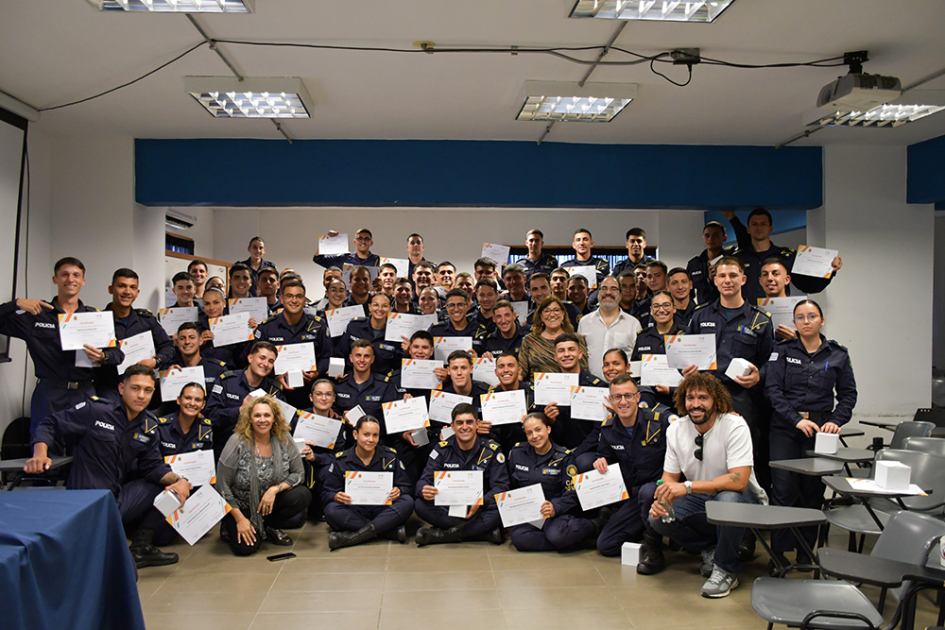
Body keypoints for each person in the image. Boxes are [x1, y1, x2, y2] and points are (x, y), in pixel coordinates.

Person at [25, 365, 193, 568]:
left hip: (116, 501)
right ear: (122, 389)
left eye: (147, 390)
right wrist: (40, 453)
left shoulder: (149, 427)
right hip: (87, 502)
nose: (141, 395)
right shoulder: (95, 411)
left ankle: (141, 546)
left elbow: (153, 467)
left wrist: (180, 481)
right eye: (135, 388)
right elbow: (50, 423)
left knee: (171, 492)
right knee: (125, 572)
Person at [638, 373, 765, 599]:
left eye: (703, 398)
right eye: (690, 398)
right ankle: (711, 547)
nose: (695, 404)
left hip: (741, 501)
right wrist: (662, 500)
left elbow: (739, 480)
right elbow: (669, 476)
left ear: (715, 400)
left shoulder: (735, 425)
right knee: (657, 517)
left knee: (727, 499)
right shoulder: (676, 429)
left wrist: (686, 487)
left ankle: (726, 570)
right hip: (700, 499)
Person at [765, 300, 856, 572]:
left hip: (820, 432)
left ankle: (806, 551)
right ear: (795, 322)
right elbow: (773, 391)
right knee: (783, 490)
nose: (806, 321)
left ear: (821, 320)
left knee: (812, 492)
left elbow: (848, 395)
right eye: (800, 317)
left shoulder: (838, 354)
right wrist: (795, 420)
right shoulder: (781, 351)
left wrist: (835, 422)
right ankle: (778, 553)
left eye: (812, 316)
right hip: (785, 429)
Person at [0, 257, 121, 436]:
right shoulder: (37, 314)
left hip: (85, 391)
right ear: (55, 279)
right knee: (45, 449)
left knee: (84, 449)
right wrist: (16, 303)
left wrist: (103, 357)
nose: (70, 279)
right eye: (64, 275)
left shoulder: (94, 317)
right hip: (49, 392)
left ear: (83, 281)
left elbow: (118, 354)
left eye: (76, 275)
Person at [685, 256, 774, 490]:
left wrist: (759, 377)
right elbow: (684, 355)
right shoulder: (700, 316)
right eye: (722, 275)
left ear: (743, 279)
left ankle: (748, 514)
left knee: (743, 457)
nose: (727, 280)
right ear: (714, 280)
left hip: (741, 398)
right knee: (703, 453)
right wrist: (685, 368)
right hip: (704, 397)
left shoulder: (760, 320)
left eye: (733, 275)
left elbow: (769, 362)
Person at [215, 396, 311, 555]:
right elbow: (222, 486)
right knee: (246, 549)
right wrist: (240, 520)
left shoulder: (284, 438)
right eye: (257, 415)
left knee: (302, 495)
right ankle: (229, 523)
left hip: (269, 502)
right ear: (249, 419)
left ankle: (269, 526)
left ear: (274, 418)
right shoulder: (236, 442)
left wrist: (274, 489)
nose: (262, 420)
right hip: (241, 505)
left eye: (267, 415)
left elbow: (299, 474)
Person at [588, 375, 671, 557]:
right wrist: (600, 460)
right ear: (611, 400)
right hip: (635, 497)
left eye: (628, 396)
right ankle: (646, 533)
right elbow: (603, 454)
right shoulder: (609, 429)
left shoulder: (660, 421)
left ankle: (654, 548)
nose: (623, 401)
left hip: (663, 492)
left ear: (638, 398)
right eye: (617, 397)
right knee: (606, 545)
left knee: (648, 492)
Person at [414, 403, 509, 545]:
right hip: (448, 509)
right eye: (459, 423)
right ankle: (478, 533)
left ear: (477, 424)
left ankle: (441, 535)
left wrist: (482, 501)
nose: (464, 427)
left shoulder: (491, 451)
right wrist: (424, 490)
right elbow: (423, 481)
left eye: (469, 422)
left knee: (502, 508)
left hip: (479, 508)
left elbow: (502, 488)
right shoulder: (442, 450)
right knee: (420, 504)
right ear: (452, 426)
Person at [508, 413, 603, 552]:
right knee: (518, 538)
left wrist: (555, 507)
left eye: (538, 430)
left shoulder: (564, 457)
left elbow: (572, 493)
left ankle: (594, 525)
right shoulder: (517, 454)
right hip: (532, 513)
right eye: (529, 433)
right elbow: (512, 486)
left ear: (548, 429)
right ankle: (572, 542)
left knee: (557, 535)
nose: (534, 436)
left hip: (556, 512)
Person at [322, 416, 415, 549]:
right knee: (331, 510)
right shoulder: (341, 460)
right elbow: (326, 493)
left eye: (375, 435)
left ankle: (355, 536)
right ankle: (386, 531)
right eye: (366, 435)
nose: (371, 440)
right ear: (355, 434)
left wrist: (399, 491)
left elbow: (406, 486)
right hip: (354, 510)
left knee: (407, 502)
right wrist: (335, 496)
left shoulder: (390, 457)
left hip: (382, 509)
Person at [253, 278, 333, 409]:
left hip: (309, 394)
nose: (294, 301)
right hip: (275, 392)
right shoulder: (268, 327)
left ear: (304, 299)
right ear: (282, 299)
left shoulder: (318, 325)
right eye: (289, 296)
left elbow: (327, 356)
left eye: (299, 296)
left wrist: (316, 373)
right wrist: (275, 376)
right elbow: (256, 359)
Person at [735, 207, 842, 304]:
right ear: (748, 229)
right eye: (754, 224)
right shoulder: (738, 259)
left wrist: (830, 270)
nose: (759, 228)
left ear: (771, 229)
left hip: (779, 313)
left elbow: (809, 286)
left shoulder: (787, 257)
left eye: (763, 224)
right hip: (747, 316)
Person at [97, 268, 175, 399]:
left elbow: (168, 346)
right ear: (111, 289)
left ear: (137, 292)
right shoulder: (99, 322)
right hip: (109, 389)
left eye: (132, 287)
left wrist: (155, 362)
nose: (127, 291)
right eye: (122, 286)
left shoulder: (146, 320)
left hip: (140, 391)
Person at [204, 341, 284, 457]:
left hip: (261, 454)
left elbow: (283, 422)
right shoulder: (227, 381)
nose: (265, 364)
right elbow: (211, 416)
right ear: (250, 358)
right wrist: (240, 410)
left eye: (271, 361)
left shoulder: (274, 391)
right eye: (262, 358)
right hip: (227, 451)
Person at [537, 333, 604, 450]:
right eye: (561, 351)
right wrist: (549, 421)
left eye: (571, 349)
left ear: (580, 354)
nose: (566, 354)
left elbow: (599, 429)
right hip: (556, 451)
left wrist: (577, 453)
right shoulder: (546, 387)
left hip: (588, 451)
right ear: (555, 357)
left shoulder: (598, 387)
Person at [577, 276, 642, 381]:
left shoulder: (633, 324)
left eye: (613, 289)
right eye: (604, 288)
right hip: (590, 387)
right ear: (598, 294)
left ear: (621, 295)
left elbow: (637, 359)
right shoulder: (584, 322)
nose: (608, 292)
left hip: (622, 388)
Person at [630, 291, 685, 407]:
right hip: (648, 402)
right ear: (651, 310)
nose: (661, 310)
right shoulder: (642, 337)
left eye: (666, 305)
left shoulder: (686, 334)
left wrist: (671, 390)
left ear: (674, 308)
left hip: (680, 401)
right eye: (656, 306)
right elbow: (635, 370)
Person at [333, 340, 398, 431]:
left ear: (372, 359)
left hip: (376, 440)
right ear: (351, 358)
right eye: (358, 356)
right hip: (347, 440)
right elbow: (332, 414)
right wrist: (342, 418)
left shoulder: (384, 386)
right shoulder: (340, 385)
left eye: (366, 356)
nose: (362, 360)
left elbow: (392, 418)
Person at [686, 212, 749, 305]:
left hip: (730, 308)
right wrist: (709, 280)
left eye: (716, 235)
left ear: (724, 238)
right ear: (703, 238)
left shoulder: (732, 259)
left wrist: (732, 218)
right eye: (707, 236)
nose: (711, 239)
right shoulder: (694, 264)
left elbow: (746, 242)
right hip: (705, 312)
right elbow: (688, 295)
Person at [518, 296, 586, 381]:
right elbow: (521, 373)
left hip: (570, 389)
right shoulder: (529, 340)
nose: (552, 314)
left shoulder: (576, 338)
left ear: (563, 314)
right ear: (541, 317)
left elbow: (584, 369)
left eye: (556, 310)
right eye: (547, 311)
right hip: (536, 390)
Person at [338, 292, 403, 376]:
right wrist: (339, 372)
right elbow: (341, 353)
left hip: (380, 384)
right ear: (369, 307)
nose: (380, 309)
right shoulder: (354, 326)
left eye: (385, 306)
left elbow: (397, 365)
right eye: (376, 305)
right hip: (352, 379)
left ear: (390, 309)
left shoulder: (395, 334)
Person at [483, 353, 536, 452]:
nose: (506, 370)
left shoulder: (534, 394)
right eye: (501, 366)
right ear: (496, 372)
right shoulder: (489, 398)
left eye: (510, 365)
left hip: (531, 450)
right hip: (500, 451)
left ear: (519, 370)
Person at [156, 382, 213, 457]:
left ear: (203, 405)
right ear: (179, 400)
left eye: (198, 400)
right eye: (188, 398)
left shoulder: (206, 430)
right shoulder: (161, 427)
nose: (192, 403)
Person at [196, 286, 241, 368]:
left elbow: (242, 356)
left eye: (216, 302)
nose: (211, 308)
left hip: (230, 372)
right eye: (207, 304)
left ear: (224, 304)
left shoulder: (234, 324)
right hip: (204, 371)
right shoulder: (197, 329)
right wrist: (198, 343)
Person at [759, 257, 798, 340]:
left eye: (775, 274)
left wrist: (796, 340)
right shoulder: (753, 314)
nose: (770, 278)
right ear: (760, 281)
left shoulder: (800, 311)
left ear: (787, 280)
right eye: (765, 274)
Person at [312, 228, 381, 268]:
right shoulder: (344, 259)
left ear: (371, 243)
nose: (363, 242)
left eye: (366, 239)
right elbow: (318, 259)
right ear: (354, 242)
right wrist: (327, 240)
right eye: (360, 239)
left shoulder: (377, 261)